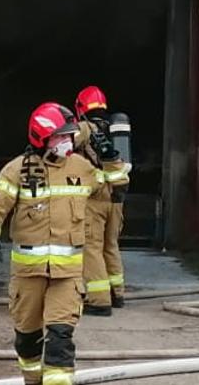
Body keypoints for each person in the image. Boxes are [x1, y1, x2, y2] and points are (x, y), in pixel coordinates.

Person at [0, 103, 95, 385]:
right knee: (28, 339)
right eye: (60, 136)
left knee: (60, 338)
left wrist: (114, 161)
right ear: (41, 137)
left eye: (69, 135)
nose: (67, 141)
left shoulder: (82, 167)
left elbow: (113, 188)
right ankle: (32, 380)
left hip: (67, 277)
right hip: (28, 276)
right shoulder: (17, 170)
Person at [75, 85, 130, 311]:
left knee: (91, 248)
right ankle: (117, 294)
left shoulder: (85, 127)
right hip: (116, 198)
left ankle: (98, 301)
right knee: (111, 246)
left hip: (95, 198)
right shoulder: (113, 127)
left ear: (81, 107)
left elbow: (67, 142)